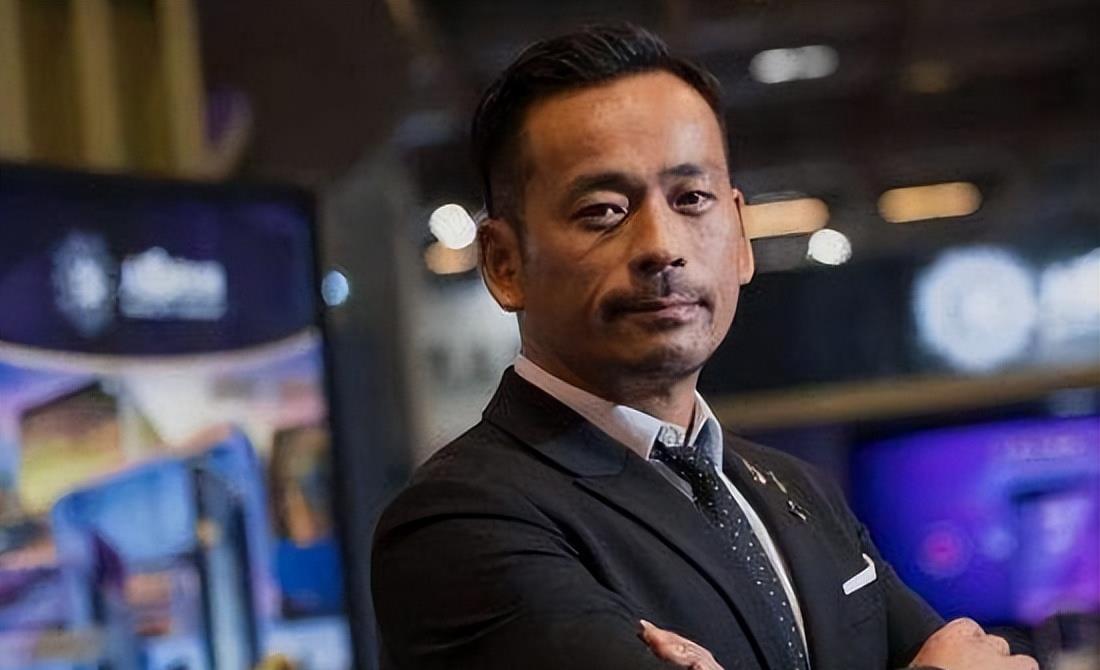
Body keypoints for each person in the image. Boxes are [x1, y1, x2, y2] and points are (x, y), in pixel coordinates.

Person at [371, 23, 1039, 670]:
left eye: (691, 198)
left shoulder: (797, 492)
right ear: (504, 262)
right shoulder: (462, 524)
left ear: (741, 237)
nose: (662, 246)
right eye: (603, 210)